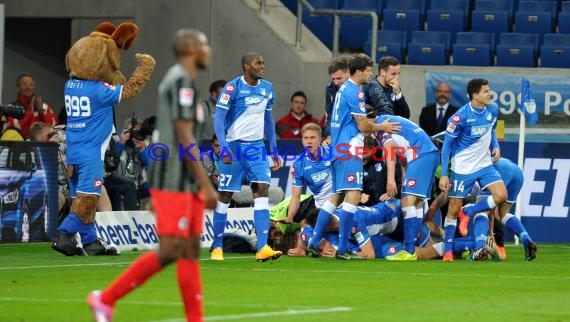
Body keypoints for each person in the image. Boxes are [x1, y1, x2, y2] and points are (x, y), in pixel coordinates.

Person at [87, 29, 217, 322]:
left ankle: (194, 317)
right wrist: (205, 183)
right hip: (175, 180)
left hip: (184, 180)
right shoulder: (180, 81)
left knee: (189, 251)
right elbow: (183, 135)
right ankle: (105, 298)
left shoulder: (185, 83)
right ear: (188, 50)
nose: (208, 51)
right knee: (171, 249)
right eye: (203, 45)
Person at [51, 29, 156, 257]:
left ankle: (90, 242)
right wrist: (145, 67)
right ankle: (63, 233)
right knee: (88, 198)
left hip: (74, 154)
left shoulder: (70, 85)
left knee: (86, 197)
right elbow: (129, 89)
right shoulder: (99, 91)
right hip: (91, 155)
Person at [307, 53, 400, 260]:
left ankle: (313, 242)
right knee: (353, 196)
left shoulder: (342, 90)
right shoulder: (355, 92)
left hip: (338, 149)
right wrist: (382, 126)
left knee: (336, 196)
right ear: (358, 71)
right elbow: (363, 125)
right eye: (368, 70)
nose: (370, 74)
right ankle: (342, 248)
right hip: (349, 149)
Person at [210, 52, 283, 262]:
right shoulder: (232, 88)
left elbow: (268, 119)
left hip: (256, 148)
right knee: (225, 196)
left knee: (262, 190)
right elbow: (219, 120)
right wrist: (223, 147)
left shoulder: (267, 88)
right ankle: (217, 245)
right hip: (233, 148)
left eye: (263, 62)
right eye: (258, 63)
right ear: (246, 66)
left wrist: (274, 148)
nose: (263, 66)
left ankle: (262, 247)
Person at [438, 78, 507, 262]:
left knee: (501, 195)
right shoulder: (459, 117)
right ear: (475, 95)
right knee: (453, 209)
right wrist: (445, 173)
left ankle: (469, 212)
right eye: (485, 91)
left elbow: (491, 130)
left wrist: (495, 146)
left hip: (484, 164)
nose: (489, 94)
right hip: (463, 167)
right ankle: (448, 250)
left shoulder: (492, 110)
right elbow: (447, 146)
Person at [373, 114, 439, 260]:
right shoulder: (388, 119)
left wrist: (390, 180)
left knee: (407, 201)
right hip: (429, 154)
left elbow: (390, 150)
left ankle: (409, 250)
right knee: (417, 202)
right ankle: (417, 245)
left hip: (420, 155)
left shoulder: (379, 124)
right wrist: (404, 178)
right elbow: (403, 152)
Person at [461, 158, 538, 261]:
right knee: (501, 214)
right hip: (516, 172)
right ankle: (527, 241)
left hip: (498, 171)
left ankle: (479, 249)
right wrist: (491, 233)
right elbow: (491, 213)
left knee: (480, 212)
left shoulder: (468, 168)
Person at [275, 123, 331, 225]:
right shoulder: (299, 165)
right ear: (302, 140)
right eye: (306, 138)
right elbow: (296, 197)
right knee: (304, 231)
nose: (309, 141)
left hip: (340, 205)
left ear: (319, 140)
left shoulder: (332, 153)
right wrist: (290, 217)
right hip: (320, 209)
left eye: (313, 138)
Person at [104, 117, 151, 210]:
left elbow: (149, 164)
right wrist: (121, 143)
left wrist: (142, 150)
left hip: (138, 185)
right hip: (118, 183)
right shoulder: (115, 140)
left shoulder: (143, 142)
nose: (134, 135)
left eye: (137, 132)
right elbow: (112, 162)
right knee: (125, 186)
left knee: (158, 186)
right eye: (131, 131)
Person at [9, 74, 58, 139]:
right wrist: (29, 113)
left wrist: (41, 114)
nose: (28, 87)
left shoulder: (44, 107)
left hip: (43, 147)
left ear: (34, 88)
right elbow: (15, 130)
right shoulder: (12, 108)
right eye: (24, 84)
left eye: (31, 85)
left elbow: (54, 129)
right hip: (20, 147)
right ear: (18, 89)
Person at [322, 56, 350, 143]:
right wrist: (329, 135)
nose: (336, 82)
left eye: (339, 78)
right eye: (333, 79)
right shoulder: (330, 89)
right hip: (337, 133)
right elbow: (330, 115)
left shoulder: (362, 87)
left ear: (348, 73)